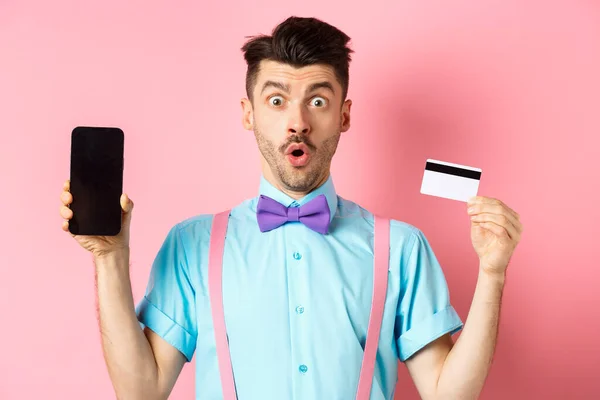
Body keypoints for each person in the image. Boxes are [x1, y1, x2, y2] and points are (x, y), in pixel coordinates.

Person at [59, 16, 523, 400]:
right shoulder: (192, 243)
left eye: (317, 101)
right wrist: (109, 258)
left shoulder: (401, 247)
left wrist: (494, 272)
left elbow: (449, 394)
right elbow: (140, 391)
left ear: (343, 114)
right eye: (277, 100)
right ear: (249, 113)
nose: (297, 122)